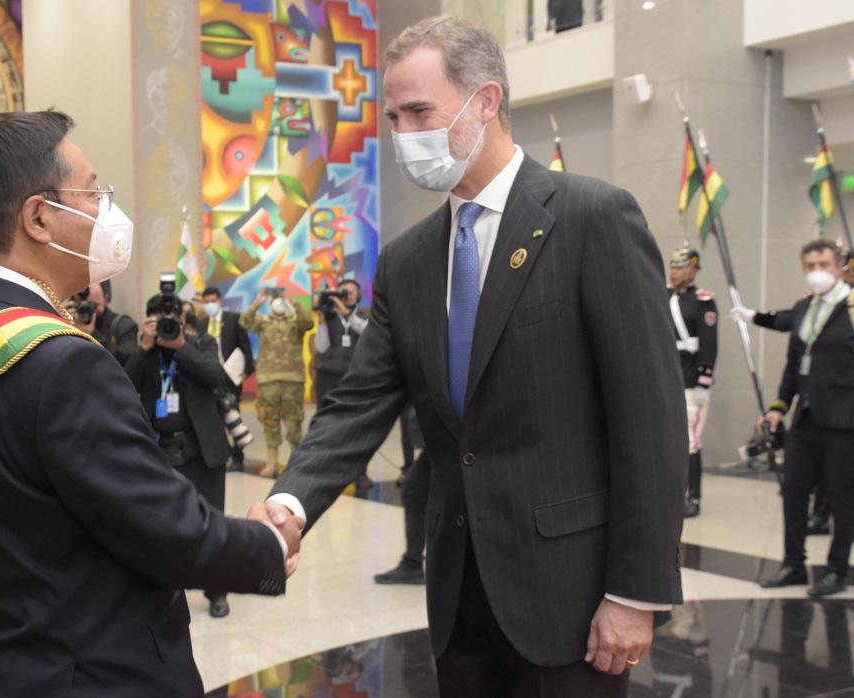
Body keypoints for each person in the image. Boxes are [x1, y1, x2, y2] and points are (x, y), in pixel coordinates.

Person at [259, 16, 687, 696]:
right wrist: (290, 502)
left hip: (571, 599)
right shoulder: (407, 261)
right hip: (460, 598)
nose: (404, 133)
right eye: (394, 116)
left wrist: (637, 593)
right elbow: (359, 402)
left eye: (419, 111)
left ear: (485, 101)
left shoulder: (591, 219)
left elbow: (650, 420)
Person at [0, 110, 297, 697]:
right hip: (90, 674)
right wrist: (268, 545)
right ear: (38, 217)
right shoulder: (61, 360)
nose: (107, 209)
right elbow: (166, 531)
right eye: (93, 191)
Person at [759, 239, 854, 598]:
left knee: (841, 497)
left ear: (838, 266)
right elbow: (795, 363)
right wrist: (779, 405)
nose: (816, 271)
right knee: (793, 492)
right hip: (806, 418)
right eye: (809, 265)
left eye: (823, 263)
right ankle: (793, 564)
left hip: (847, 418)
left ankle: (837, 569)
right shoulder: (805, 307)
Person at [126, 295, 234, 618]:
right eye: (159, 317)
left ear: (184, 316)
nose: (166, 323)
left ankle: (217, 591)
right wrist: (143, 348)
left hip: (202, 451)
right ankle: (164, 592)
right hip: (159, 450)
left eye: (171, 316)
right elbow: (120, 383)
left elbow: (216, 377)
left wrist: (180, 347)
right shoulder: (145, 352)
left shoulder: (202, 342)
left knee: (211, 526)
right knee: (161, 528)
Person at [240, 290, 314, 478]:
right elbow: (244, 321)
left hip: (292, 380)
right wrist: (257, 303)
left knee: (294, 423)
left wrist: (294, 304)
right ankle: (272, 463)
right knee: (269, 421)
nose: (279, 303)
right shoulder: (264, 321)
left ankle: (295, 464)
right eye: (276, 300)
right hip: (268, 380)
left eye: (282, 299)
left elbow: (308, 322)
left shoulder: (295, 322)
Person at [667, 247, 718, 518]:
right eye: (672, 266)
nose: (674, 272)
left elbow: (709, 344)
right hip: (668, 379)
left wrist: (703, 381)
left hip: (690, 382)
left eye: (680, 267)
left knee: (690, 441)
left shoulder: (702, 302)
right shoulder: (663, 296)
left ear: (693, 269)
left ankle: (693, 496)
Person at [198, 287, 255, 471]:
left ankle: (238, 458)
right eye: (206, 302)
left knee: (234, 415)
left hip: (231, 377)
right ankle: (221, 455)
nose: (210, 305)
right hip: (210, 377)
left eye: (212, 301)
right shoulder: (202, 324)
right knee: (215, 419)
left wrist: (247, 370)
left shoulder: (234, 319)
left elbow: (245, 346)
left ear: (220, 301)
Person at [374, 405, 429, 586]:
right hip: (438, 438)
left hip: (454, 436)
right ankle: (413, 563)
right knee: (414, 490)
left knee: (416, 490)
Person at [313, 279, 369, 407]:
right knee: (325, 414)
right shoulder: (329, 315)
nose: (348, 295)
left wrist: (348, 314)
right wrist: (322, 322)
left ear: (358, 295)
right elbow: (321, 347)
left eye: (351, 292)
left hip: (356, 374)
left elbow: (368, 333)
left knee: (353, 415)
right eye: (344, 292)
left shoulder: (366, 314)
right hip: (328, 373)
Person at [76, 280, 137, 366]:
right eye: (82, 305)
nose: (89, 311)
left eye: (94, 305)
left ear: (106, 298)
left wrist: (93, 334)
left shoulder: (123, 325)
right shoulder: (70, 321)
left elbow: (128, 362)